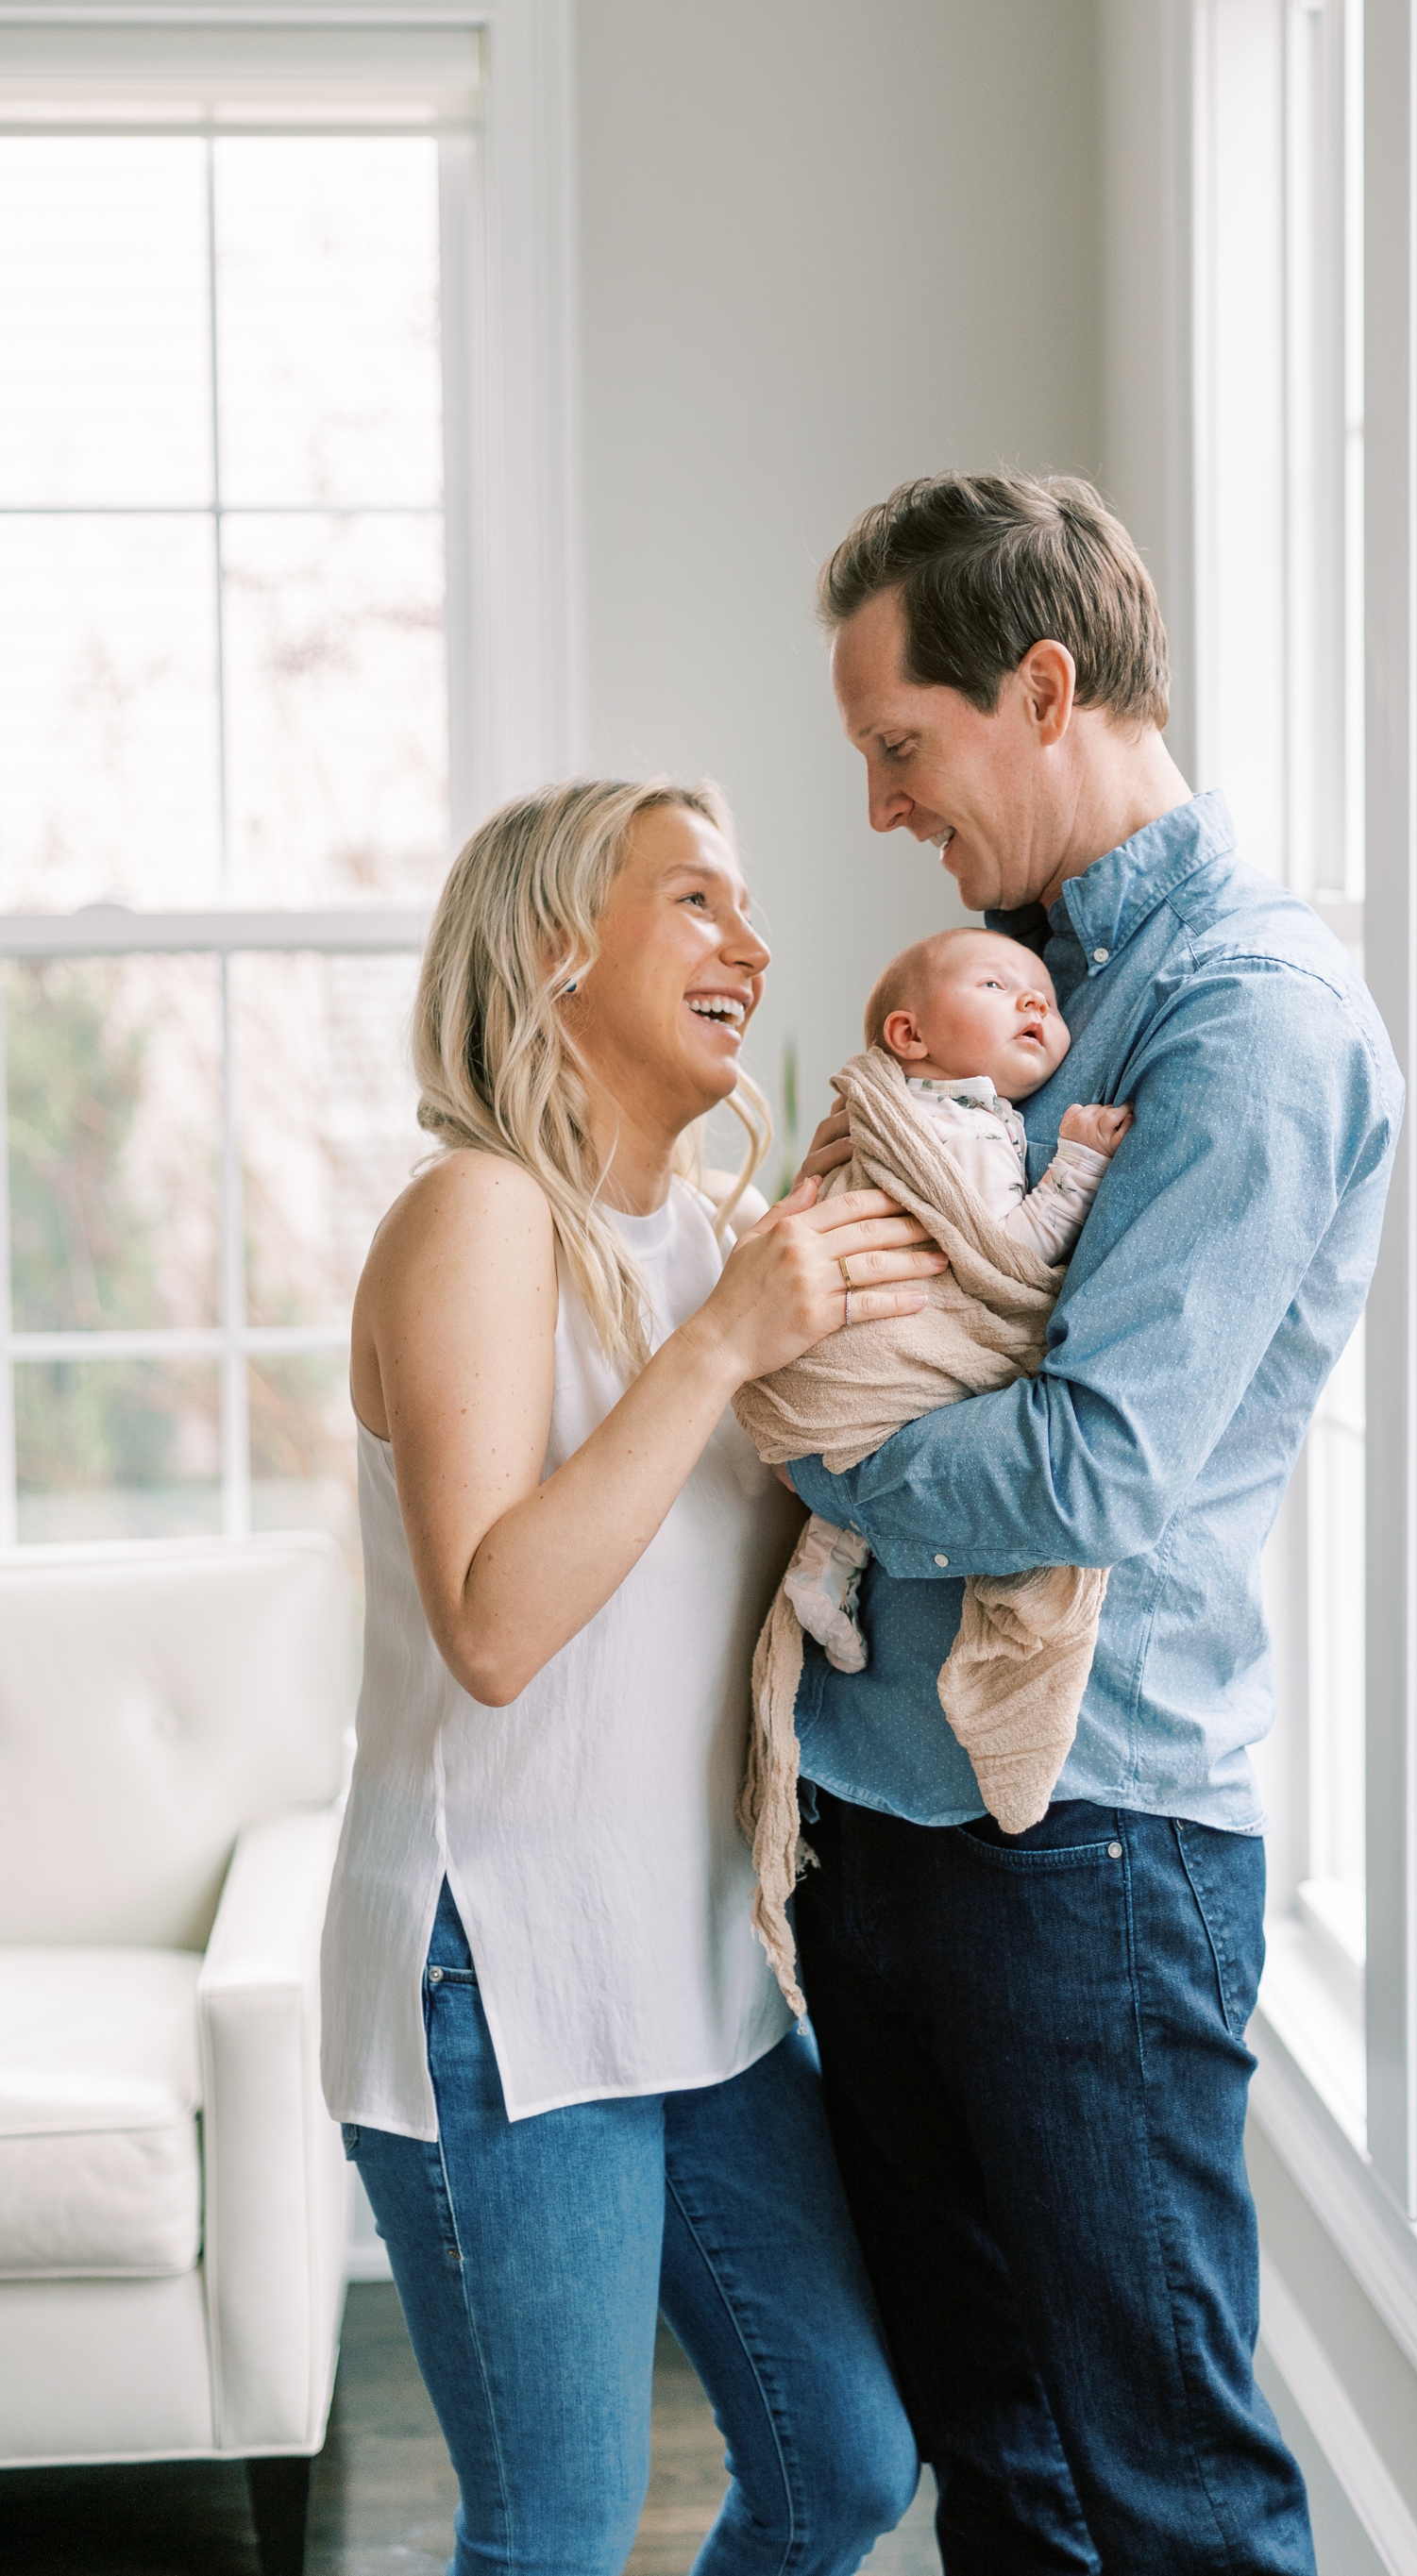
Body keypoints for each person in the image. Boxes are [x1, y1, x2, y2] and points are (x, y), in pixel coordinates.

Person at [784, 474, 1405, 2576]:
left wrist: (811, 1445)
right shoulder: (982, 994)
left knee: (1168, 2494)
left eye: (900, 746)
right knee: (1001, 2456)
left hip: (1094, 1850)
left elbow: (1089, 1464)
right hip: (882, 1810)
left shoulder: (1250, 1016)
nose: (878, 806)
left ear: (1042, 688)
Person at [320, 778, 941, 2576]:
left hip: (695, 1965)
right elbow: (496, 1627)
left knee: (840, 2458)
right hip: (495, 1969)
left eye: (747, 906)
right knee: (559, 2528)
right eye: (693, 899)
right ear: (551, 946)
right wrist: (728, 1339)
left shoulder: (708, 1245)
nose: (749, 941)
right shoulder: (479, 1212)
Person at [783, 922, 1132, 1675]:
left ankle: (823, 1560)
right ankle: (824, 1562)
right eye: (996, 985)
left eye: (1042, 992)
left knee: (882, 1428)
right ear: (908, 1034)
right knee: (916, 1403)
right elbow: (1003, 1255)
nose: (1033, 997)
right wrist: (1076, 1166)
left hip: (881, 1316)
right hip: (905, 1318)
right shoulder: (963, 1125)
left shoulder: (933, 1109)